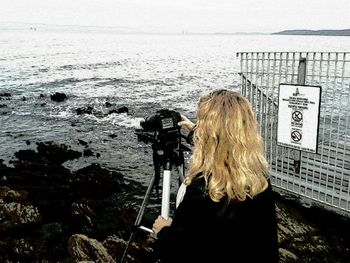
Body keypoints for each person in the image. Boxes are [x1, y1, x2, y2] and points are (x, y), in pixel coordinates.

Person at [152, 89, 279, 263]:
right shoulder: (259, 177)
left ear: (207, 134)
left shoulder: (204, 188)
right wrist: (193, 130)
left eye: (202, 126)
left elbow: (178, 250)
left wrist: (163, 231)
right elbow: (225, 145)